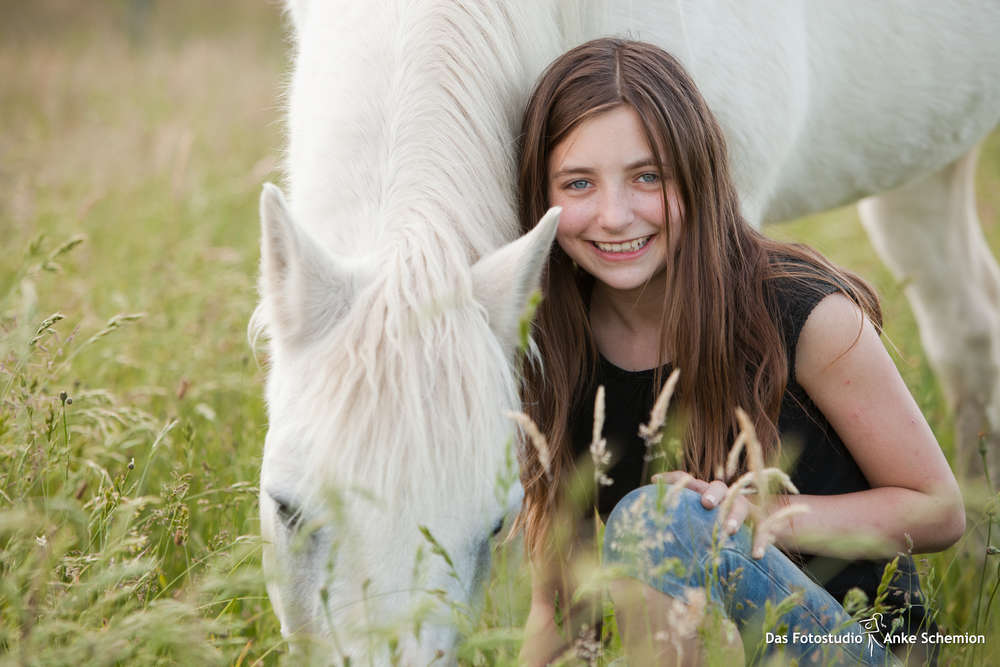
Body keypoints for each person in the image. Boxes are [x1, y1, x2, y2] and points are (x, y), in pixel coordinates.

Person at [512, 38, 965, 666]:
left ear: (696, 175)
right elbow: (558, 606)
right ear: (542, 197)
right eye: (579, 183)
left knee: (662, 519)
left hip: (858, 647)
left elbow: (939, 511)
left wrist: (753, 515)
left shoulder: (801, 312)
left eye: (648, 177)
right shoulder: (551, 345)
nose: (614, 215)